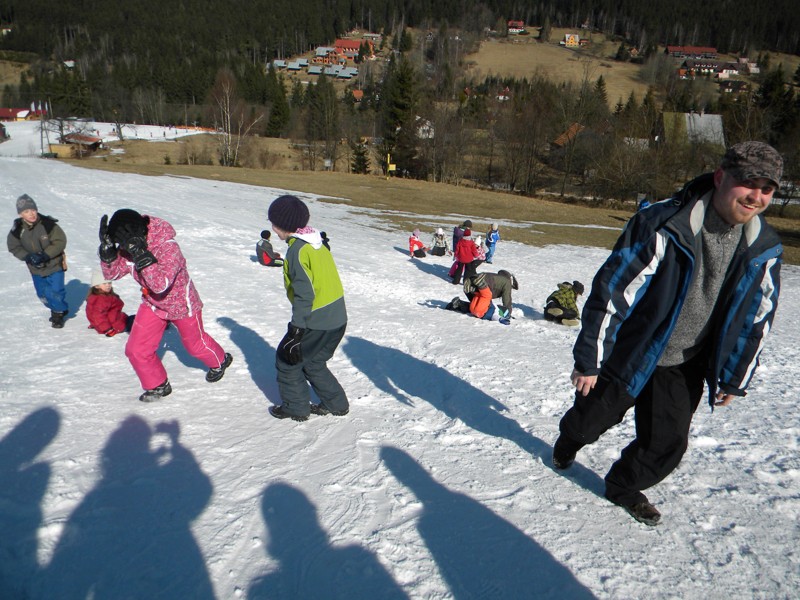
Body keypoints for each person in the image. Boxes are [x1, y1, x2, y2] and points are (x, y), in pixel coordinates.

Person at [553, 141, 784, 526]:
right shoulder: (665, 223)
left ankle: (623, 485)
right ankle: (569, 440)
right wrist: (590, 360)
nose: (756, 196)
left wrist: (734, 375)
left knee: (666, 444)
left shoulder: (763, 247)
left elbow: (756, 318)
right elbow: (614, 288)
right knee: (591, 418)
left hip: (686, 361)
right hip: (635, 348)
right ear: (721, 177)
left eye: (768, 189)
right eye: (749, 183)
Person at [98, 208, 233, 402]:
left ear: (137, 234)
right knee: (136, 349)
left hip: (181, 305)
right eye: (120, 244)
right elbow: (113, 275)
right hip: (153, 305)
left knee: (195, 345)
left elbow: (160, 284)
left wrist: (141, 254)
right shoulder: (128, 247)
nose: (123, 249)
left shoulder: (168, 247)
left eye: (124, 244)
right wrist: (108, 255)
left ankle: (220, 360)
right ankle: (158, 385)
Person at [266, 195, 349, 422]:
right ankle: (336, 403)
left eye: (273, 224)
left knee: (287, 362)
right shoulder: (316, 242)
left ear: (277, 226)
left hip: (317, 320)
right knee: (313, 362)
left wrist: (296, 330)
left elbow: (305, 295)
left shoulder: (297, 251)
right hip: (337, 318)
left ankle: (295, 408)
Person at [6, 194, 69, 328]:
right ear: (20, 214)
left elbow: (60, 241)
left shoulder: (48, 224)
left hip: (53, 265)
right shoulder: (18, 229)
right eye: (26, 211)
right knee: (42, 294)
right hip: (35, 268)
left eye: (33, 210)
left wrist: (45, 254)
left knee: (56, 290)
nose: (31, 214)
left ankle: (58, 313)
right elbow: (13, 246)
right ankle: (57, 307)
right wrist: (27, 256)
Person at [446, 270, 518, 324]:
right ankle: (458, 304)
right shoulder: (507, 283)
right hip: (482, 288)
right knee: (486, 296)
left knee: (482, 297)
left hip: (476, 279)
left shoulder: (497, 278)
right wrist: (509, 313)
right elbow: (507, 299)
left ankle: (471, 290)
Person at [85, 269, 132, 336]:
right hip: (115, 325)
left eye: (109, 283)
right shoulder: (100, 299)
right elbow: (97, 316)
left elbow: (94, 314)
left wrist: (95, 324)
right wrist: (108, 329)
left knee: (136, 318)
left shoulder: (100, 296)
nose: (108, 285)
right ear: (96, 286)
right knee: (138, 321)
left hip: (116, 320)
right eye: (104, 283)